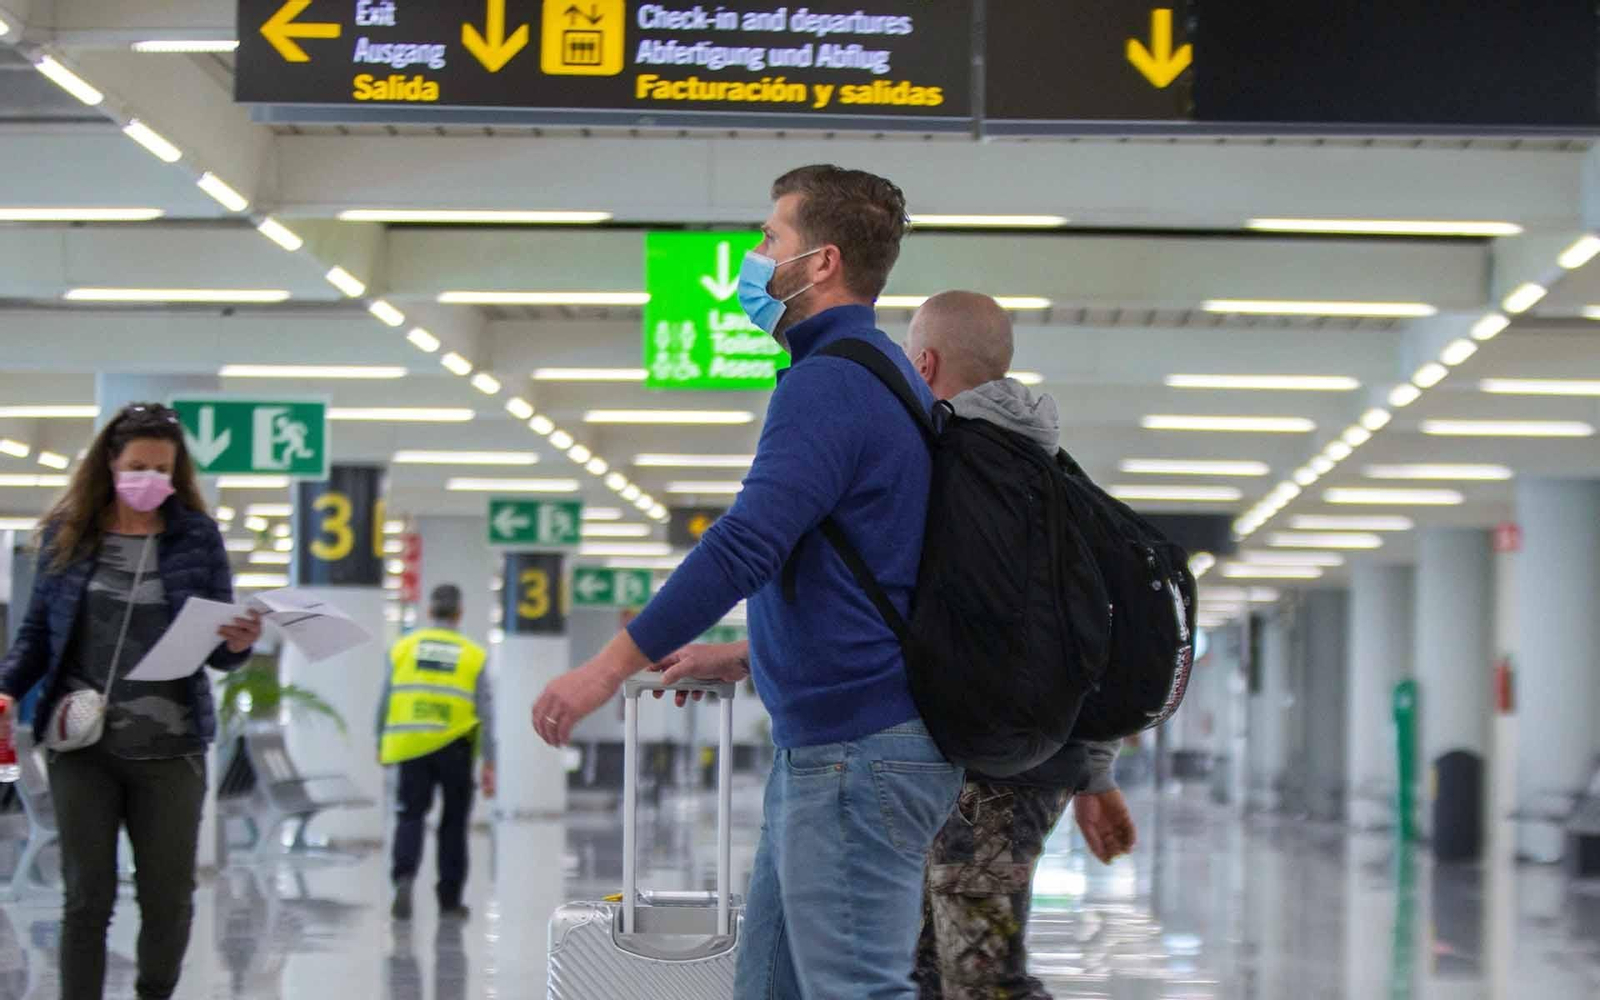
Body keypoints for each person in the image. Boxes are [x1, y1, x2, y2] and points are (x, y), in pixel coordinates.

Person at [532, 164, 963, 998]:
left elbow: (743, 546)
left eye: (771, 237)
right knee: (768, 987)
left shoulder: (833, 380)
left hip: (856, 753)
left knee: (854, 990)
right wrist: (738, 656)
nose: (755, 256)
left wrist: (606, 669)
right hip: (831, 748)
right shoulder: (873, 373)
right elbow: (859, 569)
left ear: (822, 262)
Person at [904, 291, 1138, 999]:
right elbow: (1101, 628)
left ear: (924, 363)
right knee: (931, 971)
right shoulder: (1055, 472)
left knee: (977, 979)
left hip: (982, 769)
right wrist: (1094, 773)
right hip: (1031, 760)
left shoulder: (943, 468)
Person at [0, 401, 262, 1000]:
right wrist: (7, 686)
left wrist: (239, 644)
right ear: (111, 465)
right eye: (138, 466)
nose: (151, 479)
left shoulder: (196, 537)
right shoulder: (69, 534)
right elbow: (38, 634)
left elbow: (219, 651)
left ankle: (154, 991)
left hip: (172, 748)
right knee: (85, 897)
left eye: (162, 469)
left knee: (168, 898)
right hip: (80, 743)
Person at [378, 584, 495, 922]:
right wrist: (490, 759)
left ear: (429, 611)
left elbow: (386, 697)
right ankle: (449, 900)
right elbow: (485, 710)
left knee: (410, 815)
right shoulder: (472, 653)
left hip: (412, 744)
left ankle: (404, 876)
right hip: (455, 745)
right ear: (459, 613)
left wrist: (379, 739)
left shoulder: (404, 647)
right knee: (454, 824)